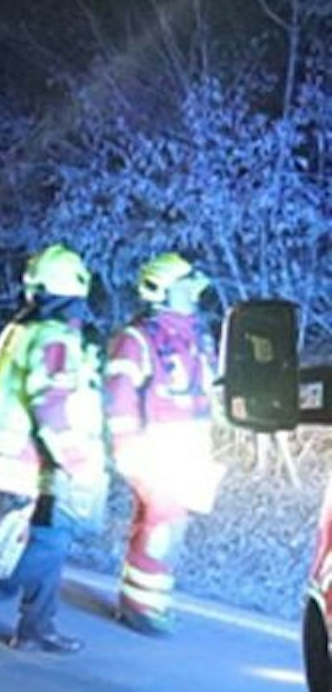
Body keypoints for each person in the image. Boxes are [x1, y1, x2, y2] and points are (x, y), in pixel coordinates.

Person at [0, 244, 108, 654]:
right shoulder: (54, 337)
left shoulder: (25, 329)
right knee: (50, 543)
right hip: (41, 459)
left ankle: (36, 627)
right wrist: (75, 459)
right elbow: (50, 404)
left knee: (50, 542)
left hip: (27, 453)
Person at [106, 252, 224, 636]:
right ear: (166, 290)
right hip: (156, 445)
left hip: (190, 445)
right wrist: (125, 447)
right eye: (186, 285)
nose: (193, 292)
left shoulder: (196, 334)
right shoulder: (137, 338)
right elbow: (119, 396)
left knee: (171, 523)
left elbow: (209, 390)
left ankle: (144, 598)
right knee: (162, 523)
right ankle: (142, 605)